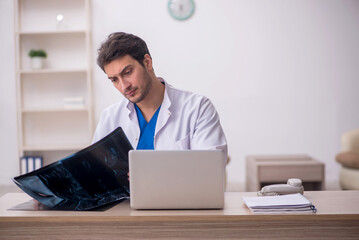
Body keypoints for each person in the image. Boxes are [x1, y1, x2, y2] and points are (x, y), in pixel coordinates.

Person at [92, 32, 227, 157]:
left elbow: (209, 170)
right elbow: (97, 172)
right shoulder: (109, 118)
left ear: (147, 62)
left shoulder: (197, 109)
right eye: (114, 80)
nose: (123, 86)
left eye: (127, 73)